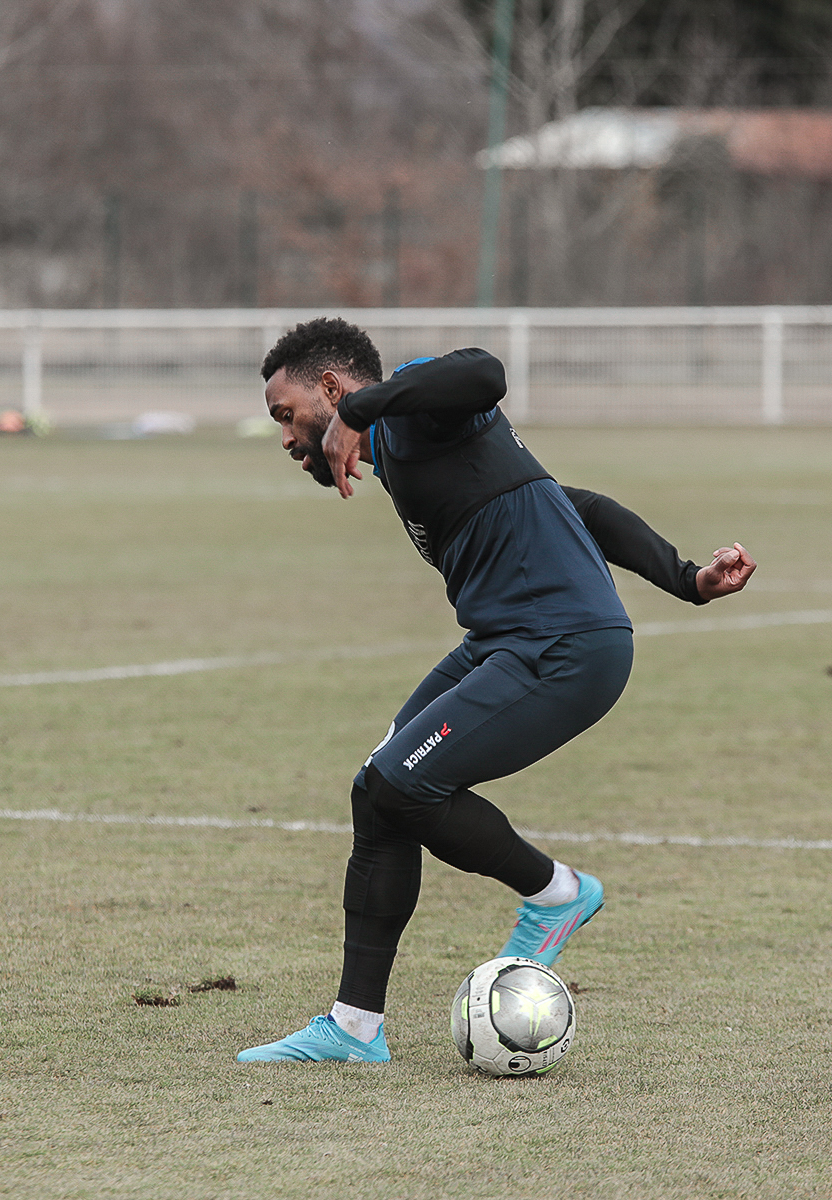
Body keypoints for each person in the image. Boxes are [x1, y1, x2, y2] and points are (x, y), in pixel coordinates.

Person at [237, 318, 755, 1064]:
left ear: (330, 388)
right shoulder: (397, 451)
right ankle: (354, 1030)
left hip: (562, 645)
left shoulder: (415, 407)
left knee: (399, 783)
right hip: (504, 644)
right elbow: (576, 506)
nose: (286, 439)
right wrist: (684, 578)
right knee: (375, 788)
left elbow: (483, 371)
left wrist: (361, 409)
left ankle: (556, 894)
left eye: (287, 416)